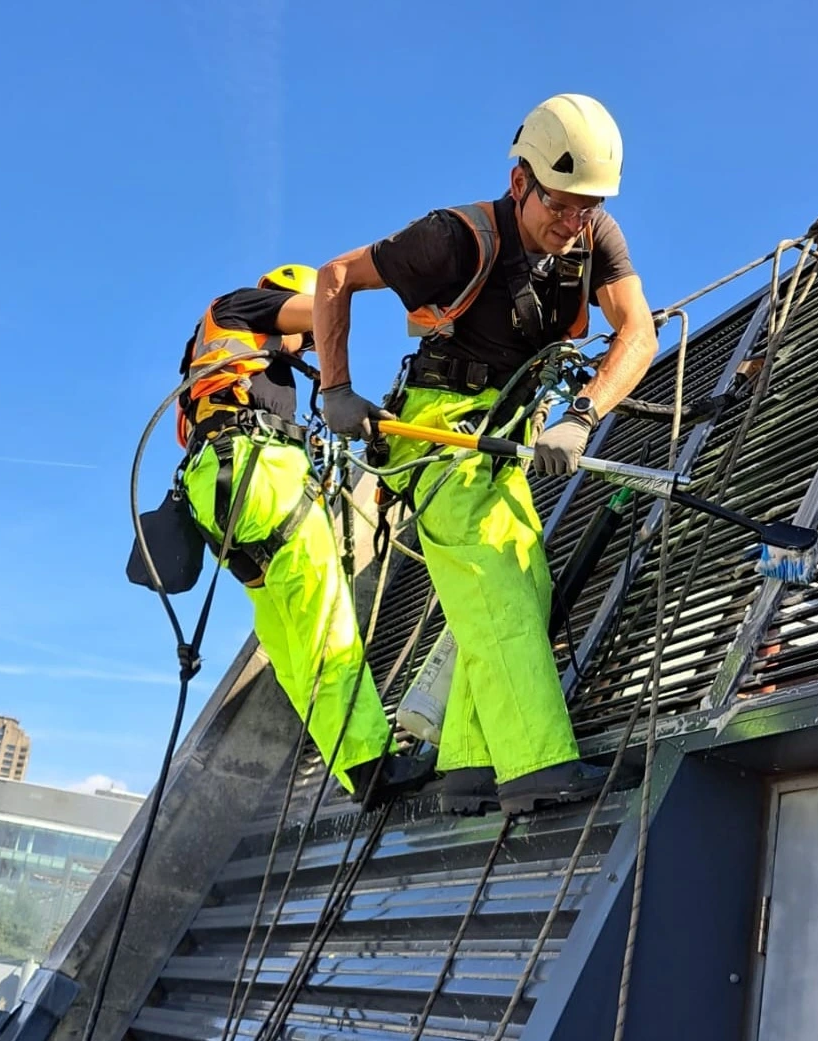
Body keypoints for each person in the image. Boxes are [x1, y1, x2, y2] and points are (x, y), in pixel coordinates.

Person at [313, 95, 659, 816]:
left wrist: (583, 413)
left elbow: (639, 333)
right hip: (439, 431)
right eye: (559, 207)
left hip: (507, 430)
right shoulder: (454, 237)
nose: (572, 226)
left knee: (525, 587)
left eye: (585, 210)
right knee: (497, 583)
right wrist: (335, 388)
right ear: (519, 183)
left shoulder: (595, 233)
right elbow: (336, 277)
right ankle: (535, 765)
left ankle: (469, 763)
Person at [176, 264, 434, 807]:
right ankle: (370, 762)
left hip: (215, 491)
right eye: (309, 338)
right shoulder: (243, 305)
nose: (312, 346)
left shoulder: (230, 363)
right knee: (327, 620)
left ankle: (355, 768)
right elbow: (324, 308)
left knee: (290, 642)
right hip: (258, 470)